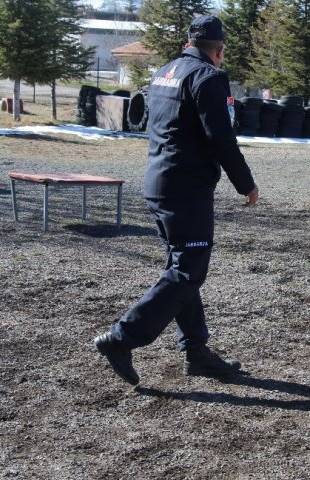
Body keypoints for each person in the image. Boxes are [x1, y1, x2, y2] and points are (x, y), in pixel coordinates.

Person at [95, 15, 259, 386]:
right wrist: (245, 183)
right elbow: (221, 138)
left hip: (160, 182)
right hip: (186, 190)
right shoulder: (208, 78)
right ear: (218, 50)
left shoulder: (164, 72)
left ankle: (196, 351)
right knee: (188, 271)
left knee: (183, 267)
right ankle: (121, 338)